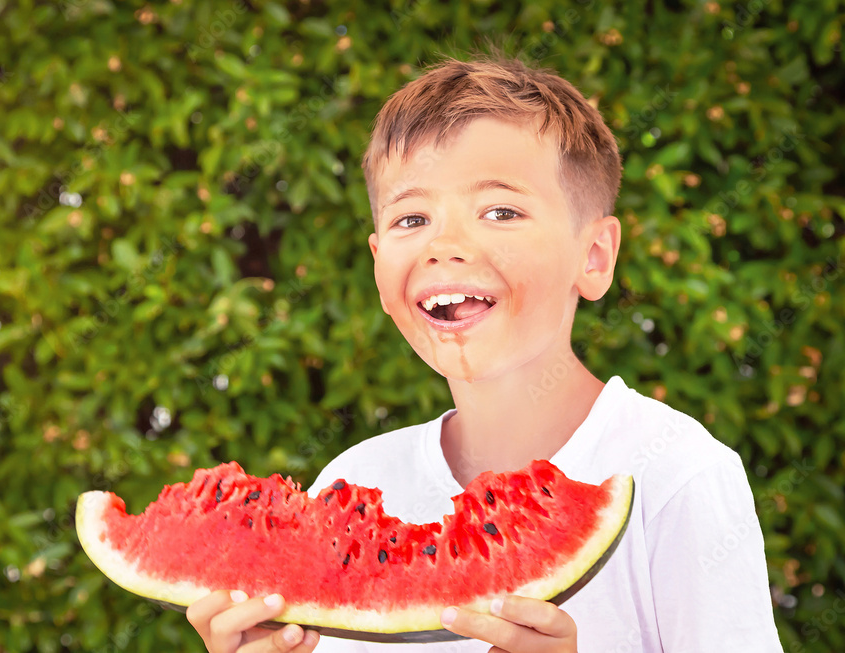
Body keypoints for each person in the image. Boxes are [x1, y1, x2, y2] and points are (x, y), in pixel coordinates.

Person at [187, 53, 784, 653]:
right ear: (377, 266)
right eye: (412, 217)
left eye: (501, 211)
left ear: (595, 256)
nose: (445, 246)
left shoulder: (676, 475)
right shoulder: (350, 483)